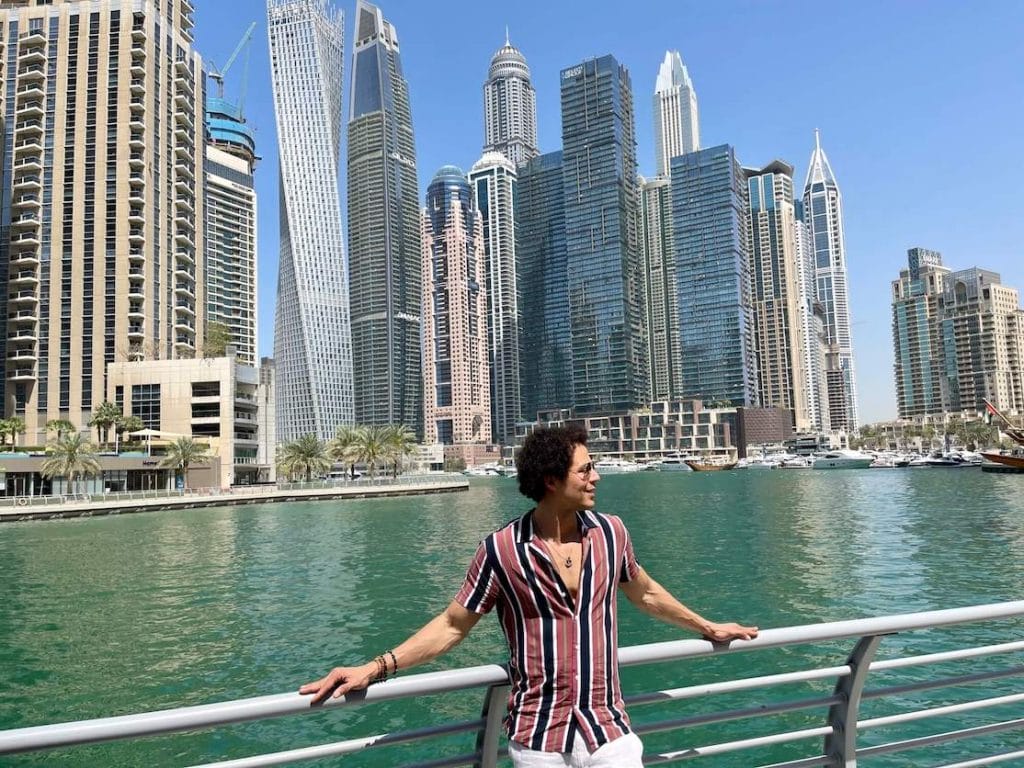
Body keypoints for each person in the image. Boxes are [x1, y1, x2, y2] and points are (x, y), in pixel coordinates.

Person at [300, 425, 758, 767]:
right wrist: (374, 668)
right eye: (586, 469)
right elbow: (452, 625)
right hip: (537, 737)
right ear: (551, 480)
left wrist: (708, 627)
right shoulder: (501, 550)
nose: (596, 477)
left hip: (609, 727)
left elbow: (647, 593)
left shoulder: (612, 533)